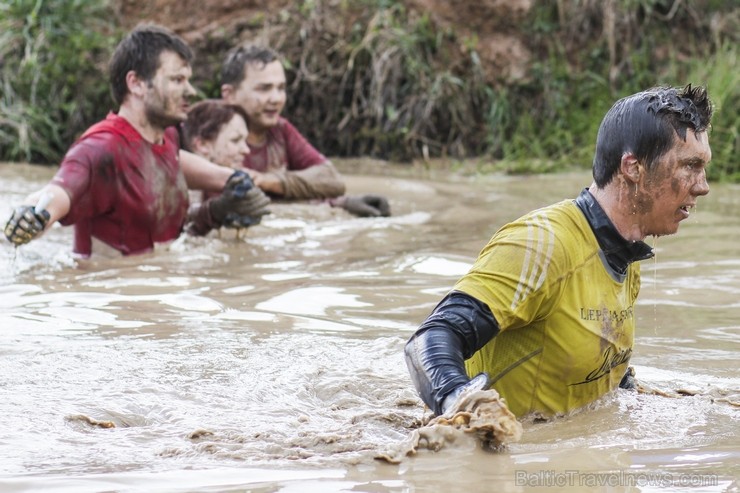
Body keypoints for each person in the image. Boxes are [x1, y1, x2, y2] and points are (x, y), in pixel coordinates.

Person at [404, 84, 713, 419]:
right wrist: (464, 413)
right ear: (633, 168)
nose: (703, 185)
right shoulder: (541, 245)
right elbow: (431, 339)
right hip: (509, 464)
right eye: (690, 166)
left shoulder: (627, 254)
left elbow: (605, 371)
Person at [3, 24, 270, 256]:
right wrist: (32, 216)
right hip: (110, 299)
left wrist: (229, 180)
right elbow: (59, 191)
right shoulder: (100, 149)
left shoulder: (166, 135)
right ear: (137, 84)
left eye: (188, 80)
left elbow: (170, 161)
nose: (190, 90)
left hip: (161, 287)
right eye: (177, 79)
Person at [220, 44, 391, 218]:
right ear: (229, 94)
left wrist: (267, 181)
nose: (276, 99)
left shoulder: (280, 129)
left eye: (281, 88)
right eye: (264, 89)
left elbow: (330, 178)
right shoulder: (211, 132)